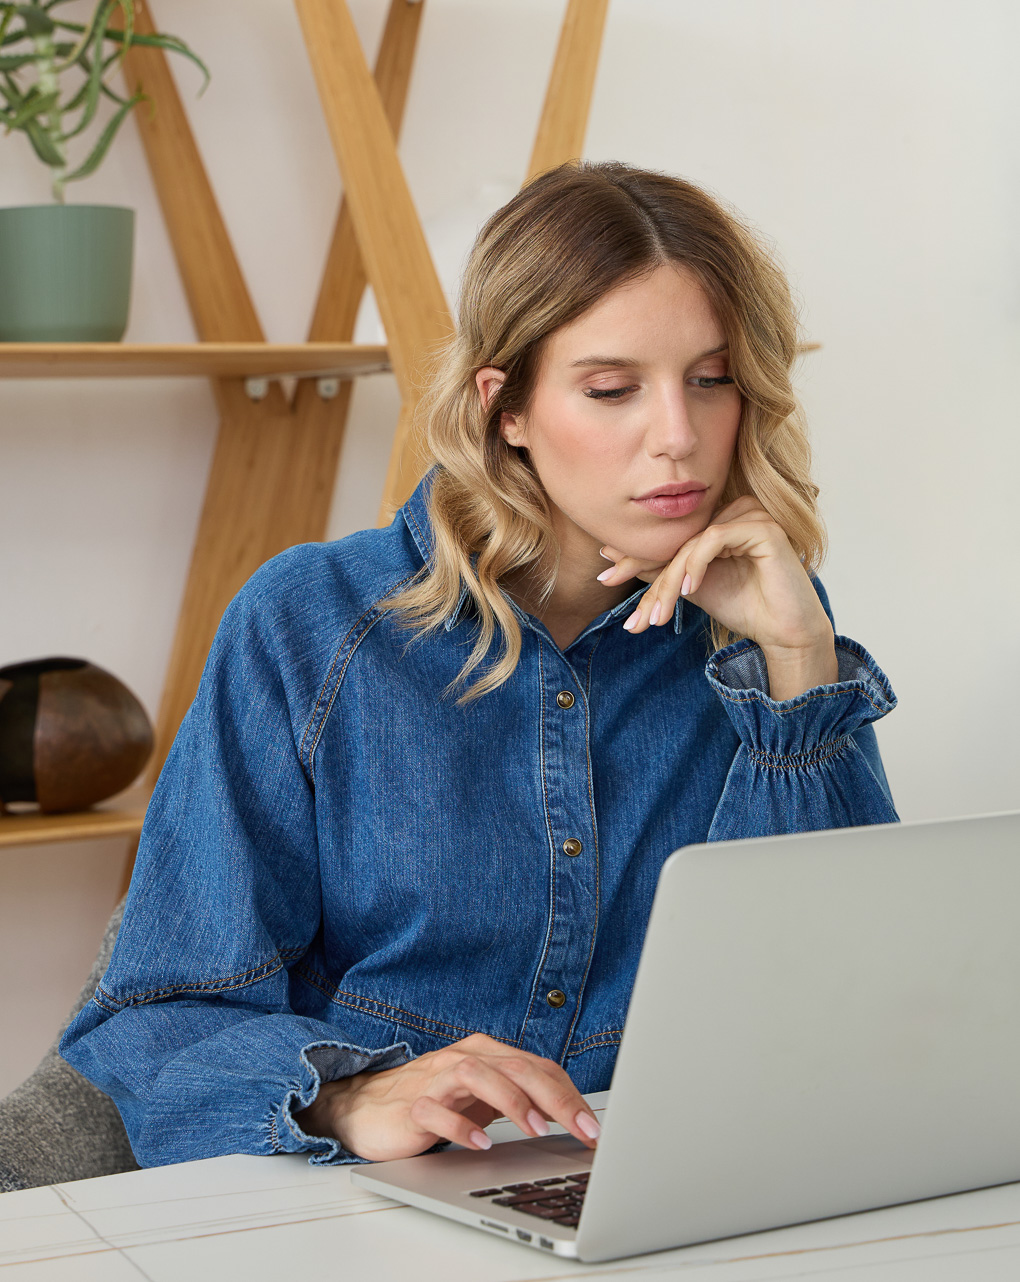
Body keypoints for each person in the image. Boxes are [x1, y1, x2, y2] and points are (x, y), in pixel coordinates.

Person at [59, 160, 898, 1170]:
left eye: (710, 380)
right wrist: (347, 1099)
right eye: (610, 388)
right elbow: (154, 1020)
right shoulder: (310, 625)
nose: (677, 438)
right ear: (507, 408)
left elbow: (850, 1010)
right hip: (365, 1208)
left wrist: (800, 662)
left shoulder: (763, 631)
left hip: (680, 1190)